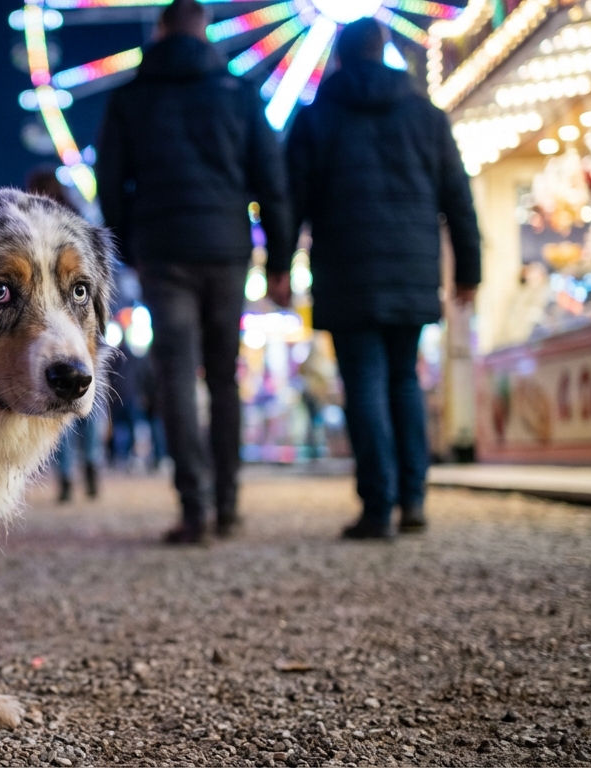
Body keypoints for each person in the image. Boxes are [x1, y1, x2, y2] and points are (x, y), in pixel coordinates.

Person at [96, 0, 293, 543]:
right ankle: (228, 501)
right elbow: (272, 184)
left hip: (162, 249)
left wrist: (127, 243)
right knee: (224, 374)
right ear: (205, 29)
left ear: (160, 30)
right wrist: (279, 260)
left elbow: (110, 182)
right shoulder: (239, 95)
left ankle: (194, 504)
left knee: (177, 372)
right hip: (227, 248)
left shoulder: (132, 97)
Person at [277, 18, 480, 539]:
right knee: (403, 379)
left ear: (338, 58)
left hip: (346, 270)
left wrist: (278, 265)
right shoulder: (426, 117)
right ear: (385, 48)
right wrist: (469, 270)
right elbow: (457, 196)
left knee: (364, 382)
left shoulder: (316, 117)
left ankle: (377, 504)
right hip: (412, 269)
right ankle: (413, 498)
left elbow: (290, 200)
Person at [25, 166, 104, 501]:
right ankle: (91, 469)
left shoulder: (27, 228)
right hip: (85, 334)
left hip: (66, 336)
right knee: (86, 408)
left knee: (56, 408)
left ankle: (69, 476)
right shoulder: (81, 224)